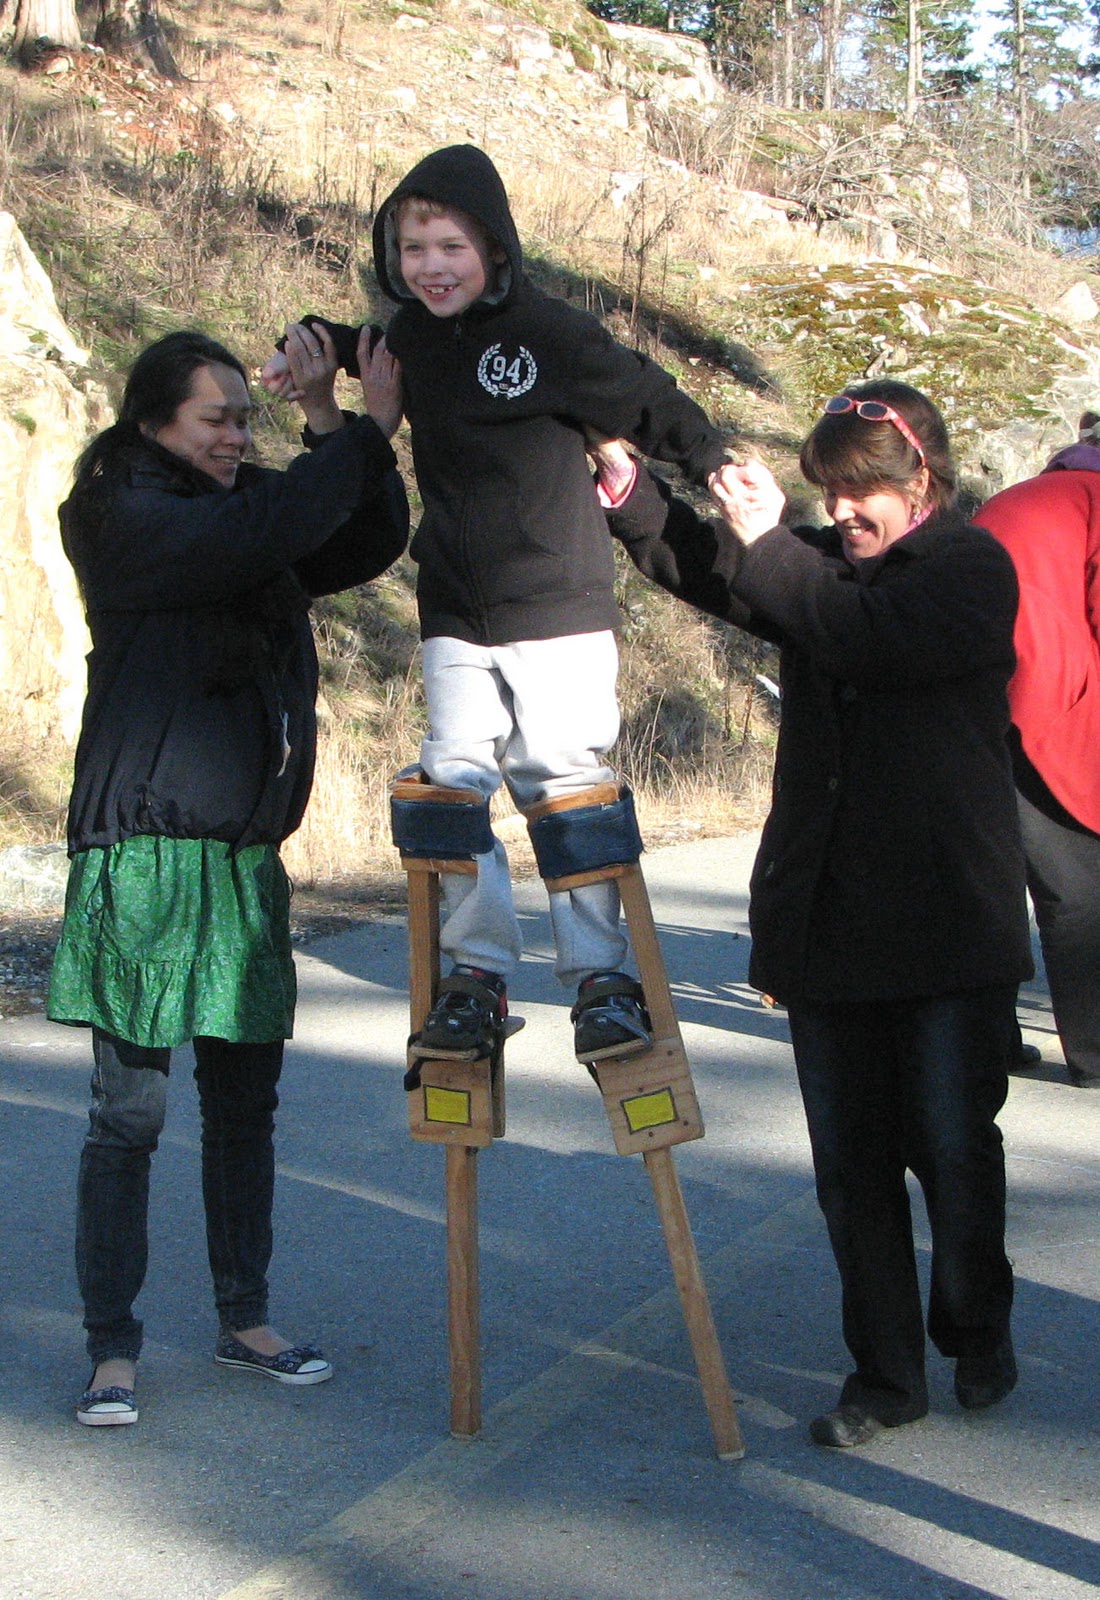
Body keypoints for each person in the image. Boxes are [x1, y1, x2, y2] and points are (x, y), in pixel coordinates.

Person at [594, 380, 1032, 1448]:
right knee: (849, 1168)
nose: (839, 511)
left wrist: (769, 542)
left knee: (950, 1144)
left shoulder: (970, 568)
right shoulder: (818, 567)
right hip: (828, 921)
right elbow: (726, 579)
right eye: (827, 492)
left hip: (942, 923)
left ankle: (974, 1324)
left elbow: (866, 639)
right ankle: (883, 1377)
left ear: (919, 476)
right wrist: (632, 497)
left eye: (858, 490)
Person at [262, 143, 737, 1068]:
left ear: (493, 246)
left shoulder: (548, 333)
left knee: (560, 778)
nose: (430, 267)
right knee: (451, 785)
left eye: (448, 246)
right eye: (411, 249)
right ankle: (477, 975)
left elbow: (646, 395)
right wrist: (298, 352)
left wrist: (713, 461)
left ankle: (602, 979)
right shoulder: (406, 339)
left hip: (556, 602)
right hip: (455, 608)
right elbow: (340, 337)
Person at [48, 325, 409, 1426]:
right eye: (217, 418)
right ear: (151, 419)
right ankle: (112, 1346)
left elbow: (362, 537)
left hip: (242, 862)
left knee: (244, 1111)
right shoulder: (116, 516)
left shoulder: (242, 510)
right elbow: (277, 523)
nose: (232, 437)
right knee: (130, 1118)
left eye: (241, 419)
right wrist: (347, 431)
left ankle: (244, 1318)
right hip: (145, 857)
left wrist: (333, 427)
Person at [977, 428, 1100, 1090]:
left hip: (971, 700)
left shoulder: (1024, 495)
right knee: (1077, 891)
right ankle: (1094, 1053)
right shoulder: (1096, 497)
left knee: (989, 883)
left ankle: (987, 1040)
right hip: (1049, 705)